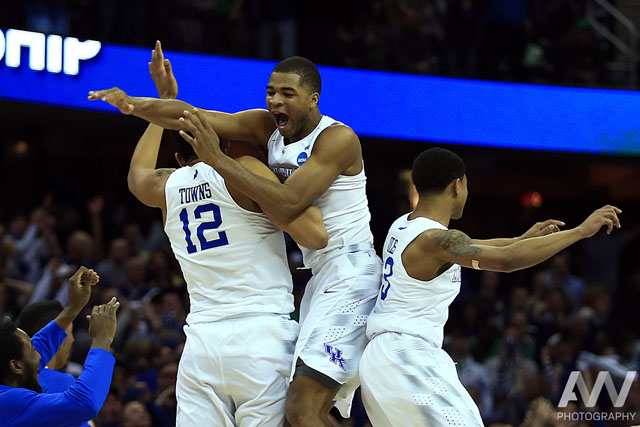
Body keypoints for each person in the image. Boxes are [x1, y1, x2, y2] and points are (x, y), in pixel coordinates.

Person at [90, 43, 382, 426]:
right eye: (270, 92)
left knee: (305, 407)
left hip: (345, 270)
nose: (275, 100)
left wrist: (149, 111)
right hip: (285, 305)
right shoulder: (260, 138)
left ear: (313, 99)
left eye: (286, 94)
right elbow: (192, 116)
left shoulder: (337, 138)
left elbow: (300, 210)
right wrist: (137, 103)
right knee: (307, 410)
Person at [358, 147, 622, 426]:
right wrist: (580, 231)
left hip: (382, 359)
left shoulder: (404, 226)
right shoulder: (434, 240)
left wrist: (521, 238)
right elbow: (507, 261)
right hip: (406, 357)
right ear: (457, 185)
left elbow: (479, 246)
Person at [0, 266, 120, 427]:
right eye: (32, 349)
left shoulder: (8, 388)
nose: (40, 355)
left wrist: (73, 307)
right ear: (15, 366)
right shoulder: (9, 402)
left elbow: (39, 346)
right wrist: (102, 340)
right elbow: (85, 404)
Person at [16, 300, 92, 427]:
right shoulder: (63, 383)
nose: (72, 340)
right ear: (58, 338)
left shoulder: (10, 377)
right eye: (70, 333)